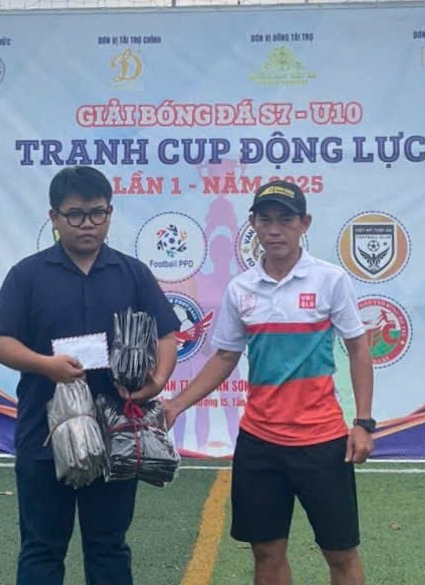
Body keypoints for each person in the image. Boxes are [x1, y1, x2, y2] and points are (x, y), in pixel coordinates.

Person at [164, 180, 375, 585]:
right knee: (266, 552)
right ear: (253, 224)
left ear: (304, 224)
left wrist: (363, 422)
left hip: (321, 441)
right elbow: (225, 357)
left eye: (285, 220)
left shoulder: (330, 280)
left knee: (340, 553)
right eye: (266, 220)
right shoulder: (241, 288)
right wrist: (175, 404)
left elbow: (359, 349)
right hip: (260, 442)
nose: (275, 229)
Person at [0, 166, 180, 585]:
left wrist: (159, 378)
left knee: (108, 546)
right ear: (53, 217)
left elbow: (167, 333)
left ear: (110, 213)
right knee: (42, 548)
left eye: (97, 213)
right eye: (74, 214)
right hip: (45, 433)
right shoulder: (27, 275)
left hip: (118, 433)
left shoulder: (132, 273)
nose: (87, 223)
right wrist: (45, 365)